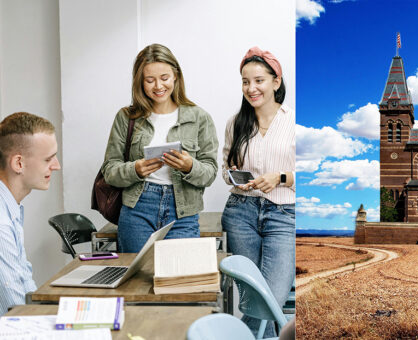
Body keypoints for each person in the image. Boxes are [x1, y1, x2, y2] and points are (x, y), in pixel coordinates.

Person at [101, 43, 218, 253]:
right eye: (149, 80)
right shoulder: (126, 118)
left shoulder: (199, 118)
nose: (158, 86)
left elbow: (210, 173)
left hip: (183, 212)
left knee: (178, 279)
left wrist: (190, 166)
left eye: (164, 78)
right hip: (137, 208)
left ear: (176, 76)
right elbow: (110, 171)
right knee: (136, 280)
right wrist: (135, 169)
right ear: (140, 82)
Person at [221, 46, 295, 337]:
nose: (251, 88)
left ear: (276, 82)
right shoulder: (235, 123)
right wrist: (233, 174)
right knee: (253, 299)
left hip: (285, 215)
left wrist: (280, 177)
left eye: (259, 80)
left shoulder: (294, 122)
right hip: (241, 213)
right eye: (245, 81)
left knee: (270, 299)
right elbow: (223, 170)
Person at [0, 112, 61, 314]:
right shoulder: (2, 222)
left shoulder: (11, 207)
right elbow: (17, 307)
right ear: (19, 163)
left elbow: (23, 279)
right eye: (48, 159)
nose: (57, 166)